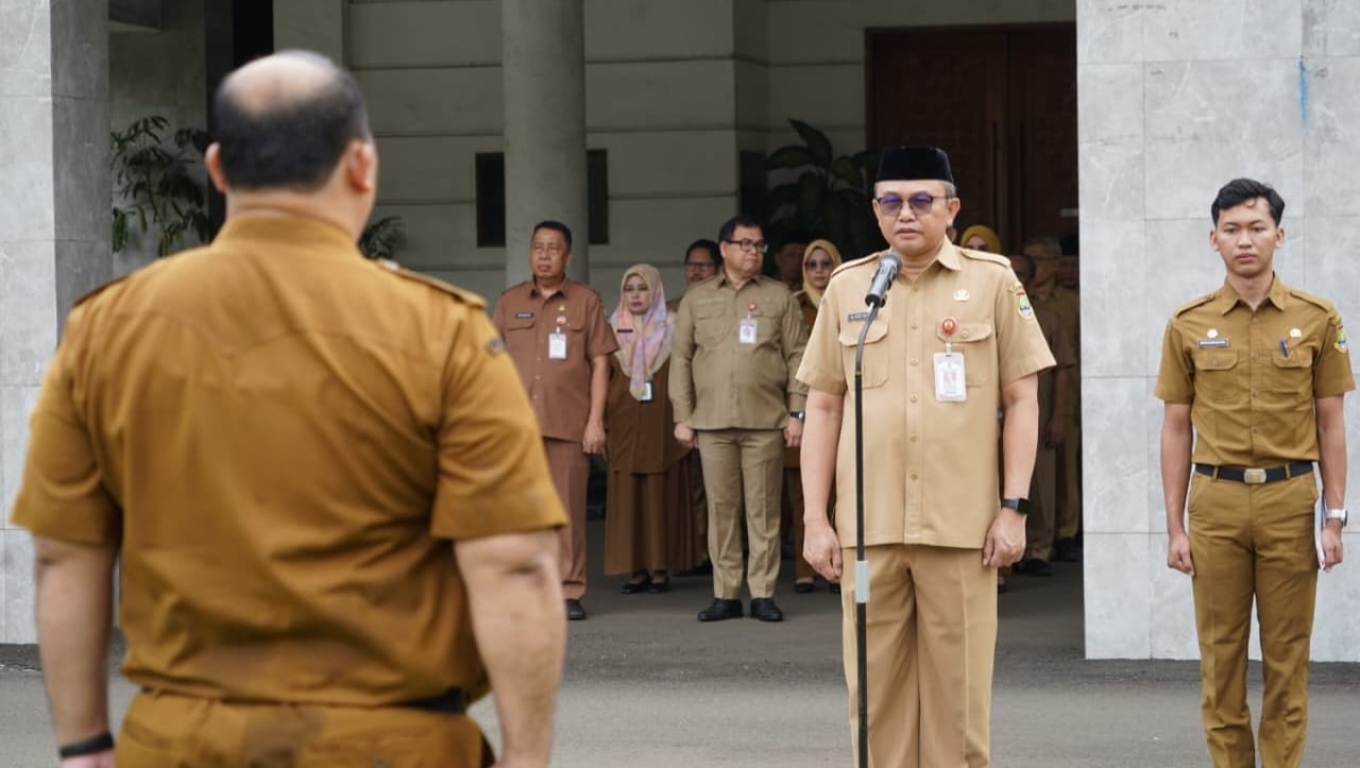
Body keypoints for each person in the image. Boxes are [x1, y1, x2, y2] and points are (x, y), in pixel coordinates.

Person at [9, 51, 567, 768]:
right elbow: (515, 563)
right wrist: (526, 759)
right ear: (362, 166)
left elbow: (64, 551)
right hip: (393, 744)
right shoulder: (442, 332)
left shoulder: (106, 328)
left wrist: (85, 746)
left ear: (217, 169)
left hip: (180, 744)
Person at [798, 146, 1053, 768]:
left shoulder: (991, 280)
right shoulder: (849, 286)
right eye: (891, 202)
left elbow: (1023, 400)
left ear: (951, 208)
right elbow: (825, 408)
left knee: (958, 700)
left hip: (960, 529)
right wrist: (815, 518)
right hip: (868, 533)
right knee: (873, 695)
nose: (905, 214)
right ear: (876, 211)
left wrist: (1013, 509)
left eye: (920, 201)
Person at [1156, 177, 1350, 768]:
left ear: (1279, 235)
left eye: (1257, 227)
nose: (1245, 240)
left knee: (1289, 658)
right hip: (1214, 503)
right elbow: (1175, 428)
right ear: (1213, 239)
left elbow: (1332, 424)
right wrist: (1175, 527)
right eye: (1232, 229)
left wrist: (1334, 517)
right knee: (1221, 659)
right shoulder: (1187, 322)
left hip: (1291, 500)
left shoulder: (1317, 318)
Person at [671, 214, 809, 623]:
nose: (753, 252)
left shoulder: (778, 296)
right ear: (725, 248)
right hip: (711, 421)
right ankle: (726, 593)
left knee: (764, 510)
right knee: (721, 509)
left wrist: (797, 411)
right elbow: (681, 359)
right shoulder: (697, 299)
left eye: (758, 245)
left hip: (765, 419)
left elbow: (798, 354)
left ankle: (763, 592)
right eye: (745, 244)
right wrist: (683, 415)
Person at [493, 221, 618, 621]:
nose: (544, 255)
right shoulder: (509, 301)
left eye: (553, 248)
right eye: (538, 248)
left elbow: (601, 363)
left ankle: (568, 589)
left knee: (567, 512)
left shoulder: (585, 300)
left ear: (568, 256)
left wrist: (595, 421)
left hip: (568, 425)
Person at [604, 264, 703, 593]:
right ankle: (635, 570)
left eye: (642, 288)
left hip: (662, 421)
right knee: (628, 496)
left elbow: (689, 375)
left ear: (656, 291)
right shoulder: (611, 328)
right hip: (624, 420)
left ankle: (660, 569)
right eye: (629, 288)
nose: (635, 295)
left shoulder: (673, 327)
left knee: (661, 494)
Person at [1008, 254, 1076, 577]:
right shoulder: (985, 312)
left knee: (1041, 482)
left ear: (1031, 279)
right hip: (993, 414)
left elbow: (1062, 368)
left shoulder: (1046, 318)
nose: (1014, 278)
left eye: (1021, 273)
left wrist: (1058, 416)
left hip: (1040, 409)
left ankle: (1038, 548)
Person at [787, 238, 843, 594]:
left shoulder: (850, 300)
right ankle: (804, 568)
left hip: (841, 407)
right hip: (805, 407)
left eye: (825, 263)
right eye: (812, 264)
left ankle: (841, 565)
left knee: (842, 489)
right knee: (802, 493)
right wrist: (793, 409)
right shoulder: (794, 306)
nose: (819, 271)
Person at [1022, 235, 1084, 563]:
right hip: (1027, 400)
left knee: (1064, 469)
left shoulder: (1068, 303)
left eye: (1037, 261)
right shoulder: (1019, 303)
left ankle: (1065, 532)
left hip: (1064, 391)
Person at [675, 238, 722, 309]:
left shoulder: (727, 306)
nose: (696, 271)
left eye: (704, 265)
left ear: (719, 269)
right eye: (691, 264)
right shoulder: (672, 309)